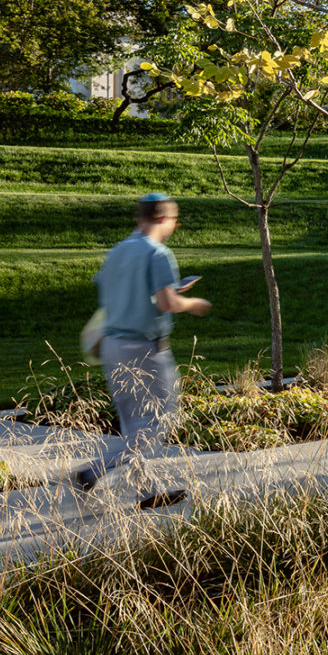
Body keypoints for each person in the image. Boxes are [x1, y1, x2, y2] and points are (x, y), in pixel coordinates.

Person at [73, 193, 210, 508]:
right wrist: (194, 303)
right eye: (175, 220)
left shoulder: (118, 251)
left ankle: (146, 491)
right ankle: (92, 471)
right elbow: (167, 304)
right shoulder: (158, 254)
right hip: (145, 349)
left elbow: (121, 295)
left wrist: (165, 290)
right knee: (163, 419)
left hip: (112, 345)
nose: (174, 226)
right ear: (164, 218)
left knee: (133, 423)